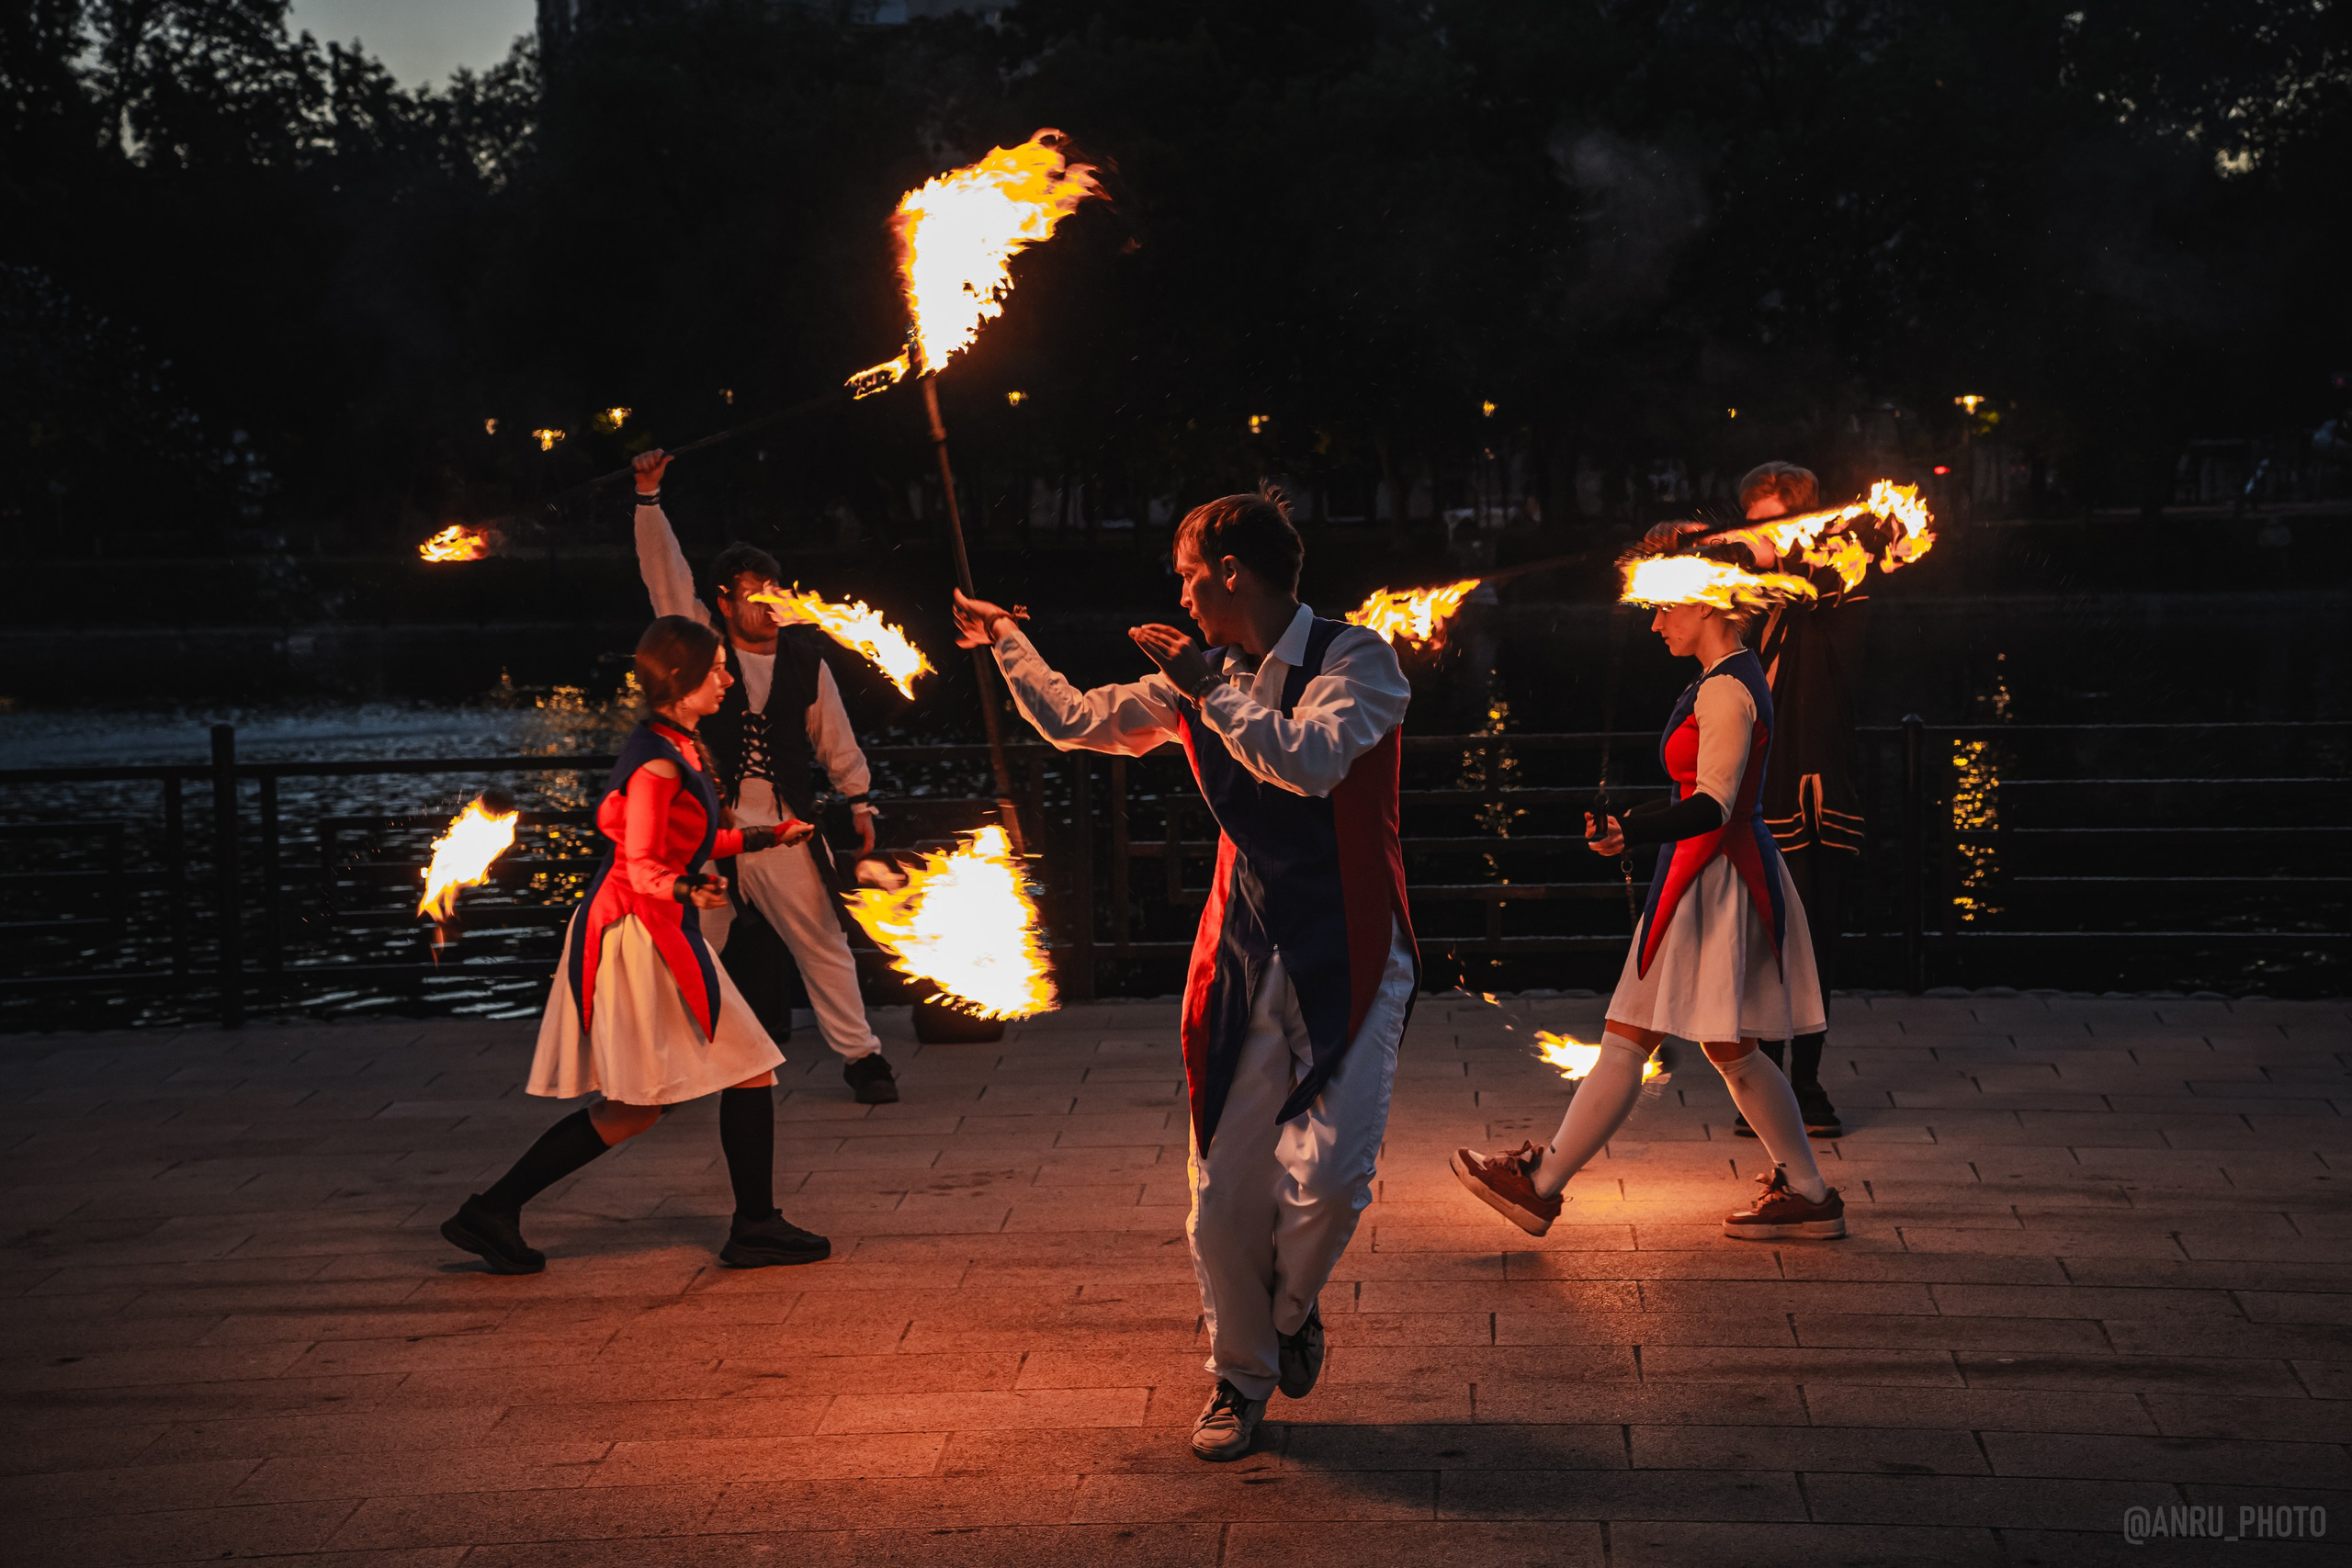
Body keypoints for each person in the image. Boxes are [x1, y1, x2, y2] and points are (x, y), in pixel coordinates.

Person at [950, 483, 1416, 1463]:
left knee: (1335, 1179)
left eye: (1188, 574)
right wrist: (1005, 639)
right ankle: (1239, 1379)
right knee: (1221, 1193)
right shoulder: (1201, 680)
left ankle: (1289, 1313)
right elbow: (1076, 719)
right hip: (1241, 952)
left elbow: (1310, 762)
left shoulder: (1357, 659)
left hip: (1353, 948)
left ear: (1230, 574)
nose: (1180, 593)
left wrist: (1208, 690)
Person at [1448, 570, 1846, 1243]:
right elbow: (1701, 795)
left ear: (1708, 604)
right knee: (1733, 1050)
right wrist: (1630, 826)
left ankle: (1540, 1184)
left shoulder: (1725, 688)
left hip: (1712, 879)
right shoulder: (1727, 677)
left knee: (1630, 1036)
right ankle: (1809, 1193)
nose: (1656, 624)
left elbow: (1713, 804)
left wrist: (1632, 828)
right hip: (1712, 874)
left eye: (1664, 609)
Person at [440, 616, 832, 1274]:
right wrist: (689, 889)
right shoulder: (656, 762)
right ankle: (755, 1226)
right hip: (639, 934)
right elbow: (644, 864)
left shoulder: (676, 743)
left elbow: (689, 841)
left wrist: (768, 835)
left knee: (638, 1107)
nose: (727, 679)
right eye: (716, 669)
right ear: (680, 677)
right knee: (734, 1070)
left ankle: (493, 1210)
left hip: (652, 927)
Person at [630, 448, 899, 1106]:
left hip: (782, 831)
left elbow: (834, 737)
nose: (764, 603)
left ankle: (863, 1058)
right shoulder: (702, 645)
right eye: (750, 594)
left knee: (824, 944)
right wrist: (649, 498)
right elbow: (666, 577)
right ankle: (664, 1070)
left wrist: (859, 801)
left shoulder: (806, 660)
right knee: (691, 946)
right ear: (722, 603)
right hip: (708, 832)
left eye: (772, 591)